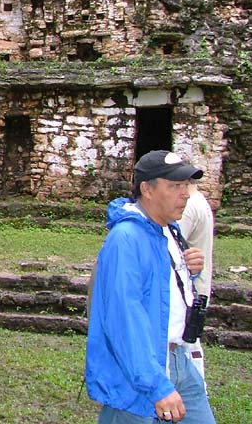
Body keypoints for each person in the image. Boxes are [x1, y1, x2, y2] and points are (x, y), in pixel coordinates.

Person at [85, 150, 216, 423]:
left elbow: (159, 292)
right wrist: (154, 384)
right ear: (147, 189)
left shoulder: (169, 230)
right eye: (174, 186)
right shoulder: (127, 239)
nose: (185, 194)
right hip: (141, 370)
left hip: (178, 358)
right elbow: (124, 318)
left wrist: (190, 272)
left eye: (186, 186)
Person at [175, 166, 215, 383]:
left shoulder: (188, 205)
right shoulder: (199, 201)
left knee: (186, 356)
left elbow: (169, 244)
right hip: (195, 290)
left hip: (188, 294)